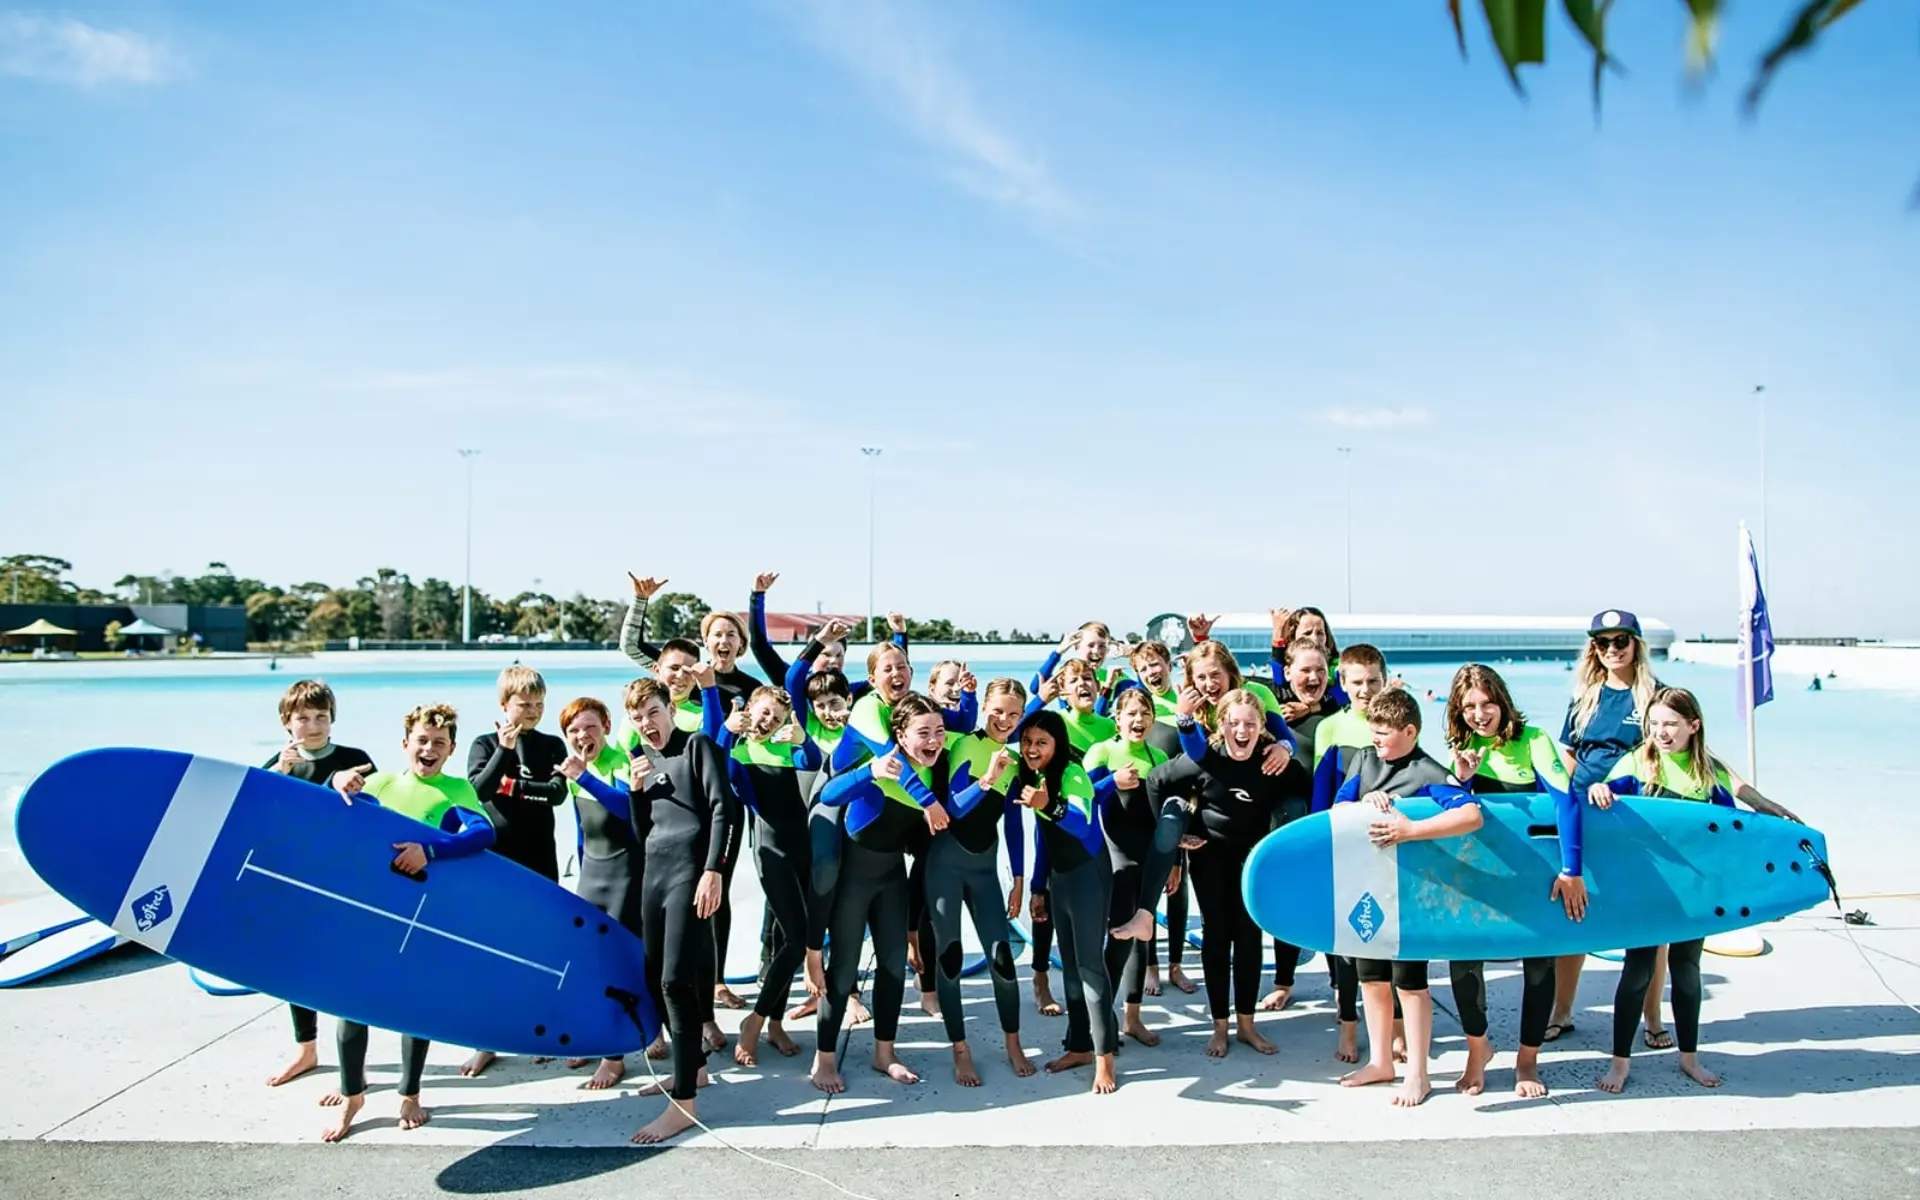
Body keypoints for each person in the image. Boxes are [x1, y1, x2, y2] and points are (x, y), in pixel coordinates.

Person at [1591, 686, 1801, 1095]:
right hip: (1648, 886)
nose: (1662, 733)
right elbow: (1605, 799)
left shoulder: (1708, 770)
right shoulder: (1639, 762)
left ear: (1694, 725)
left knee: (1686, 970)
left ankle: (1689, 1058)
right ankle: (1620, 1063)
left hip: (1695, 889)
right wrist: (1600, 790)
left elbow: (1738, 822)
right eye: (1654, 724)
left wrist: (1776, 820)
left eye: (1671, 724)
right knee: (1638, 970)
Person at [561, 679, 737, 1144]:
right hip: (653, 880)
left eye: (654, 713)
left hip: (689, 877)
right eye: (638, 718)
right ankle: (693, 1070)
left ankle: (683, 1105)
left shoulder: (697, 747)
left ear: (670, 710)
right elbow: (644, 832)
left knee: (676, 983)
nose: (647, 724)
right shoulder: (645, 760)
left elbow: (725, 810)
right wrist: (638, 792)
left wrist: (714, 871)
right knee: (654, 980)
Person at [324, 703, 496, 1142]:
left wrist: (430, 849)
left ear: (452, 749)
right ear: (405, 744)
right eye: (421, 740)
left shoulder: (454, 789)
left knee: (413, 1005)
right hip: (367, 908)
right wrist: (335, 780)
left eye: (439, 743)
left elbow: (482, 833)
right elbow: (329, 811)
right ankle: (352, 1095)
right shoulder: (380, 783)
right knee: (349, 1006)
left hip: (419, 911)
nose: (429, 749)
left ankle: (410, 1093)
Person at [1441, 664, 1587, 1098]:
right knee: (1462, 959)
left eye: (1487, 703)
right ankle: (1477, 1048)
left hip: (1533, 872)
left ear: (1503, 701)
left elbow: (1567, 803)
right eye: (1469, 706)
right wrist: (1462, 780)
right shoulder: (1463, 747)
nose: (1480, 714)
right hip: (1482, 872)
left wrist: (1571, 870)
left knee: (1538, 965)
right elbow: (1454, 810)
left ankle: (1527, 1061)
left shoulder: (1533, 741)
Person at [1330, 687, 1481, 1107]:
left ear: (1410, 731)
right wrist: (1364, 802)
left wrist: (1410, 829)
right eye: (1373, 731)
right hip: (1365, 888)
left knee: (1409, 984)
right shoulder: (1364, 759)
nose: (1376, 739)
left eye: (1383, 733)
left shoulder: (1428, 772)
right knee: (1372, 979)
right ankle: (1381, 1061)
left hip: (1410, 893)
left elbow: (1470, 815)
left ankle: (1418, 1072)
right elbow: (1337, 809)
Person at [808, 693, 954, 1094]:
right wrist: (869, 771)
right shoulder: (888, 768)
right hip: (853, 880)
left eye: (939, 731)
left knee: (892, 967)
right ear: (900, 737)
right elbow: (828, 795)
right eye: (922, 732)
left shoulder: (934, 773)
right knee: (843, 971)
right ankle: (823, 1059)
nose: (934, 740)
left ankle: (884, 1053)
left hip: (891, 878)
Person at [1143, 692, 1290, 1059]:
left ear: (1261, 728)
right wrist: (1175, 836)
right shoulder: (1203, 759)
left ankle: (1247, 1025)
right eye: (1234, 723)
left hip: (1254, 863)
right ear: (1221, 724)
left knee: (1250, 937)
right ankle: (1220, 1027)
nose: (1242, 730)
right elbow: (1155, 781)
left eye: (1250, 724)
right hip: (1210, 860)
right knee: (1216, 936)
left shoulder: (1270, 762)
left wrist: (1286, 748)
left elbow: (1306, 795)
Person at [1548, 610, 1659, 1046]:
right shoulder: (1585, 698)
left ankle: (1652, 1017)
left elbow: (1668, 753)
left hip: (1633, 814)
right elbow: (1567, 755)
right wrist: (1573, 795)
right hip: (1584, 813)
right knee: (1575, 911)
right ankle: (1562, 1011)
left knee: (1650, 923)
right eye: (1603, 642)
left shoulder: (1654, 696)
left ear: (1636, 644)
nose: (1612, 649)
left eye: (1621, 641)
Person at [261, 680, 373, 1088]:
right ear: (286, 723)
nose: (313, 726)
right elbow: (256, 819)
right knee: (295, 966)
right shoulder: (276, 766)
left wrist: (340, 783)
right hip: (296, 879)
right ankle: (306, 1050)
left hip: (346, 880)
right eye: (303, 718)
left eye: (321, 716)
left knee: (349, 967)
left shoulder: (356, 760)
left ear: (332, 718)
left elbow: (370, 816)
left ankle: (353, 1062)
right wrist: (278, 776)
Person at [461, 666, 572, 1077]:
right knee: (493, 952)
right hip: (496, 860)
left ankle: (541, 1031)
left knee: (541, 949)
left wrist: (515, 787)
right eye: (524, 705)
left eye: (539, 705)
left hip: (540, 857)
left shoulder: (550, 744)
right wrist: (504, 754)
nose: (532, 713)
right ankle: (487, 1040)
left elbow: (558, 794)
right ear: (504, 705)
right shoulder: (484, 743)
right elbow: (478, 790)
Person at [927, 679, 1035, 1085]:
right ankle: (961, 1049)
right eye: (997, 710)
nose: (1004, 720)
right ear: (984, 706)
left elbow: (1013, 824)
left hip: (986, 869)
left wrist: (1020, 878)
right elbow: (952, 809)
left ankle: (1012, 1042)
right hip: (945, 865)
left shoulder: (1014, 757)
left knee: (1003, 960)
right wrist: (987, 777)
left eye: (1013, 714)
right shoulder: (964, 746)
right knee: (951, 958)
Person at [715, 678, 823, 1068]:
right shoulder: (741, 753)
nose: (768, 721)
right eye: (763, 712)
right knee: (798, 940)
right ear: (750, 710)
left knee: (783, 941)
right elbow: (715, 762)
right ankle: (754, 1020)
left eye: (775, 717)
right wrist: (728, 730)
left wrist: (802, 739)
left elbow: (814, 766)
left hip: (803, 852)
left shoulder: (789, 748)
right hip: (770, 850)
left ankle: (775, 1024)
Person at [1014, 708, 1121, 1093]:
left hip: (1088, 876)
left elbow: (1081, 822)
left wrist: (1048, 805)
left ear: (1058, 745)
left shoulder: (1073, 774)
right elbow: (1044, 838)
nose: (1031, 749)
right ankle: (1079, 1045)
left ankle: (1105, 1058)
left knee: (1091, 966)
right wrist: (1039, 886)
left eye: (1041, 742)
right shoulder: (1036, 776)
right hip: (1060, 879)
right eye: (1027, 742)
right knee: (1071, 969)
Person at [1307, 642, 1394, 1063]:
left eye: (1372, 682)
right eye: (1356, 682)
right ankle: (1348, 1025)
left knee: (1390, 933)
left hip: (1388, 840)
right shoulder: (1331, 728)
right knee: (1347, 939)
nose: (1365, 690)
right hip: (1346, 842)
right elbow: (1321, 794)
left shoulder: (1398, 720)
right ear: (1342, 683)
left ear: (1385, 679)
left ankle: (1393, 1026)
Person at [554, 696, 644, 1090]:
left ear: (606, 725)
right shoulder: (575, 770)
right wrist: (579, 876)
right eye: (574, 731)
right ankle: (595, 1036)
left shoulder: (623, 760)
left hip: (625, 875)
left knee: (621, 966)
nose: (582, 735)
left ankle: (615, 1056)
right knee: (587, 964)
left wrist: (586, 777)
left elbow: (628, 810)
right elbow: (580, 830)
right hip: (592, 874)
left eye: (590, 726)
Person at [1084, 687, 1174, 1046]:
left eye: (1145, 713)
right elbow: (1079, 796)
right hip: (1115, 855)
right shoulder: (1102, 751)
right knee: (1119, 939)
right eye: (1131, 713)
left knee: (1143, 939)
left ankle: (1132, 1019)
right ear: (1116, 719)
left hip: (1149, 858)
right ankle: (1102, 1018)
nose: (1138, 720)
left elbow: (1168, 818)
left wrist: (1174, 863)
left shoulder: (1159, 755)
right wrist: (1111, 782)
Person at [1257, 641, 1339, 1012]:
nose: (1313, 678)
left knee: (1334, 906)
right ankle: (1284, 981)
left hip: (1333, 826)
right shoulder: (1276, 718)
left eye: (1320, 670)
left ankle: (1341, 983)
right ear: (1287, 673)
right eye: (1304, 670)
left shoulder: (1338, 715)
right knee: (1287, 903)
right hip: (1287, 825)